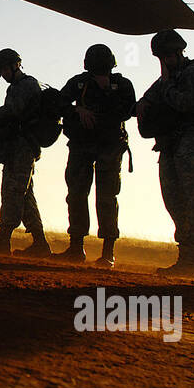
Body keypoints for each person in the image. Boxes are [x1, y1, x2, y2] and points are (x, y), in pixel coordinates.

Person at [135, 30, 194, 277]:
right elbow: (145, 100)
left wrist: (166, 84)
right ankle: (184, 255)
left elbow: (184, 103)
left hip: (193, 142)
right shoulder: (168, 78)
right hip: (172, 143)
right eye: (161, 57)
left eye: (168, 55)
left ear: (178, 51)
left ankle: (191, 260)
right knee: (172, 197)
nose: (165, 60)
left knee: (192, 197)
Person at [54, 45, 136, 268]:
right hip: (82, 145)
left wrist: (107, 94)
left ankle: (107, 252)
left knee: (106, 198)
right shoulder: (79, 83)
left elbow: (128, 110)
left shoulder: (122, 85)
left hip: (109, 147)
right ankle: (76, 247)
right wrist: (77, 111)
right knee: (77, 194)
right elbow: (59, 102)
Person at [0, 48, 54, 256]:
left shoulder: (26, 85)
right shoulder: (18, 86)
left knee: (13, 191)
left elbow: (14, 111)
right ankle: (40, 244)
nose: (2, 75)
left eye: (3, 70)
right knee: (25, 195)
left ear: (15, 65)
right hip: (17, 146)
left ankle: (3, 239)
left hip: (23, 146)